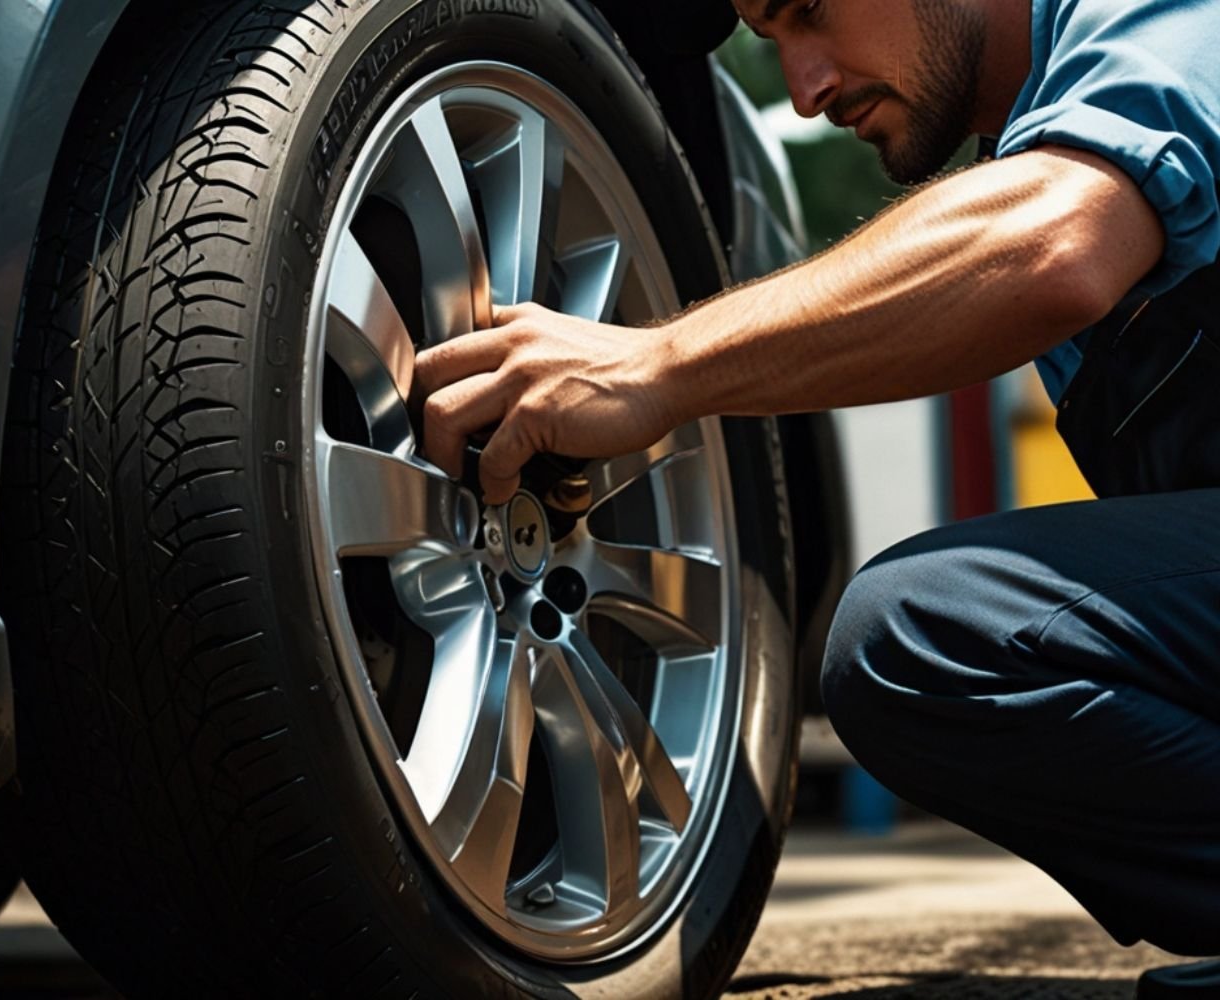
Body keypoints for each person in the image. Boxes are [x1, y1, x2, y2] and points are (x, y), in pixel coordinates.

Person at [412, 0, 1220, 994]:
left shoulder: (1162, 17)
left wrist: (657, 365)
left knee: (931, 633)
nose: (806, 88)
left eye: (810, 12)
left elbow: (1056, 240)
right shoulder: (1030, 150)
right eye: (776, 43)